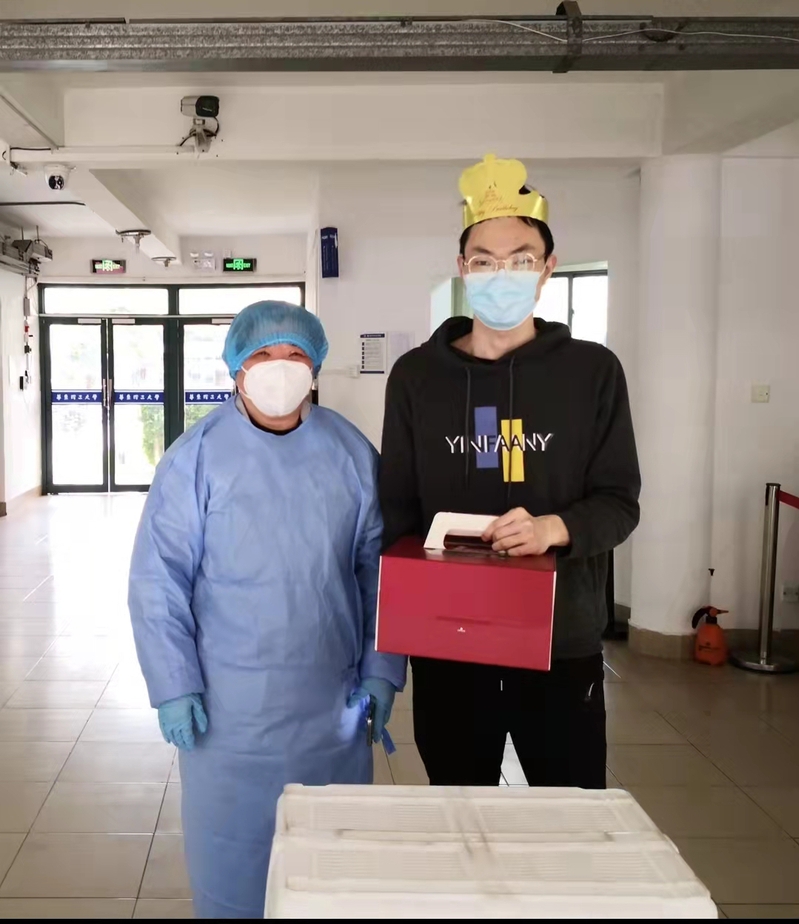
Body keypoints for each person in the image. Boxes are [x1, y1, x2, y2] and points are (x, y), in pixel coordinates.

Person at [129, 300, 406, 919]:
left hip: (328, 707)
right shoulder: (196, 458)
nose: (280, 367)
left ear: (316, 367)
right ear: (236, 367)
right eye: (263, 354)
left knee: (328, 867)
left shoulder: (352, 455)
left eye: (295, 354)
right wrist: (174, 685)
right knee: (235, 866)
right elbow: (158, 579)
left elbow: (380, 571)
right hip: (229, 716)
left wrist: (382, 668)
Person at [379, 154, 640, 790]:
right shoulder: (417, 376)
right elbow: (396, 510)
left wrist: (553, 528)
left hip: (559, 637)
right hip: (450, 636)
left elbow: (619, 502)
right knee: (458, 801)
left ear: (548, 269)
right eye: (486, 261)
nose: (503, 274)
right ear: (463, 268)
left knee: (569, 804)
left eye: (522, 259)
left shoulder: (591, 372)